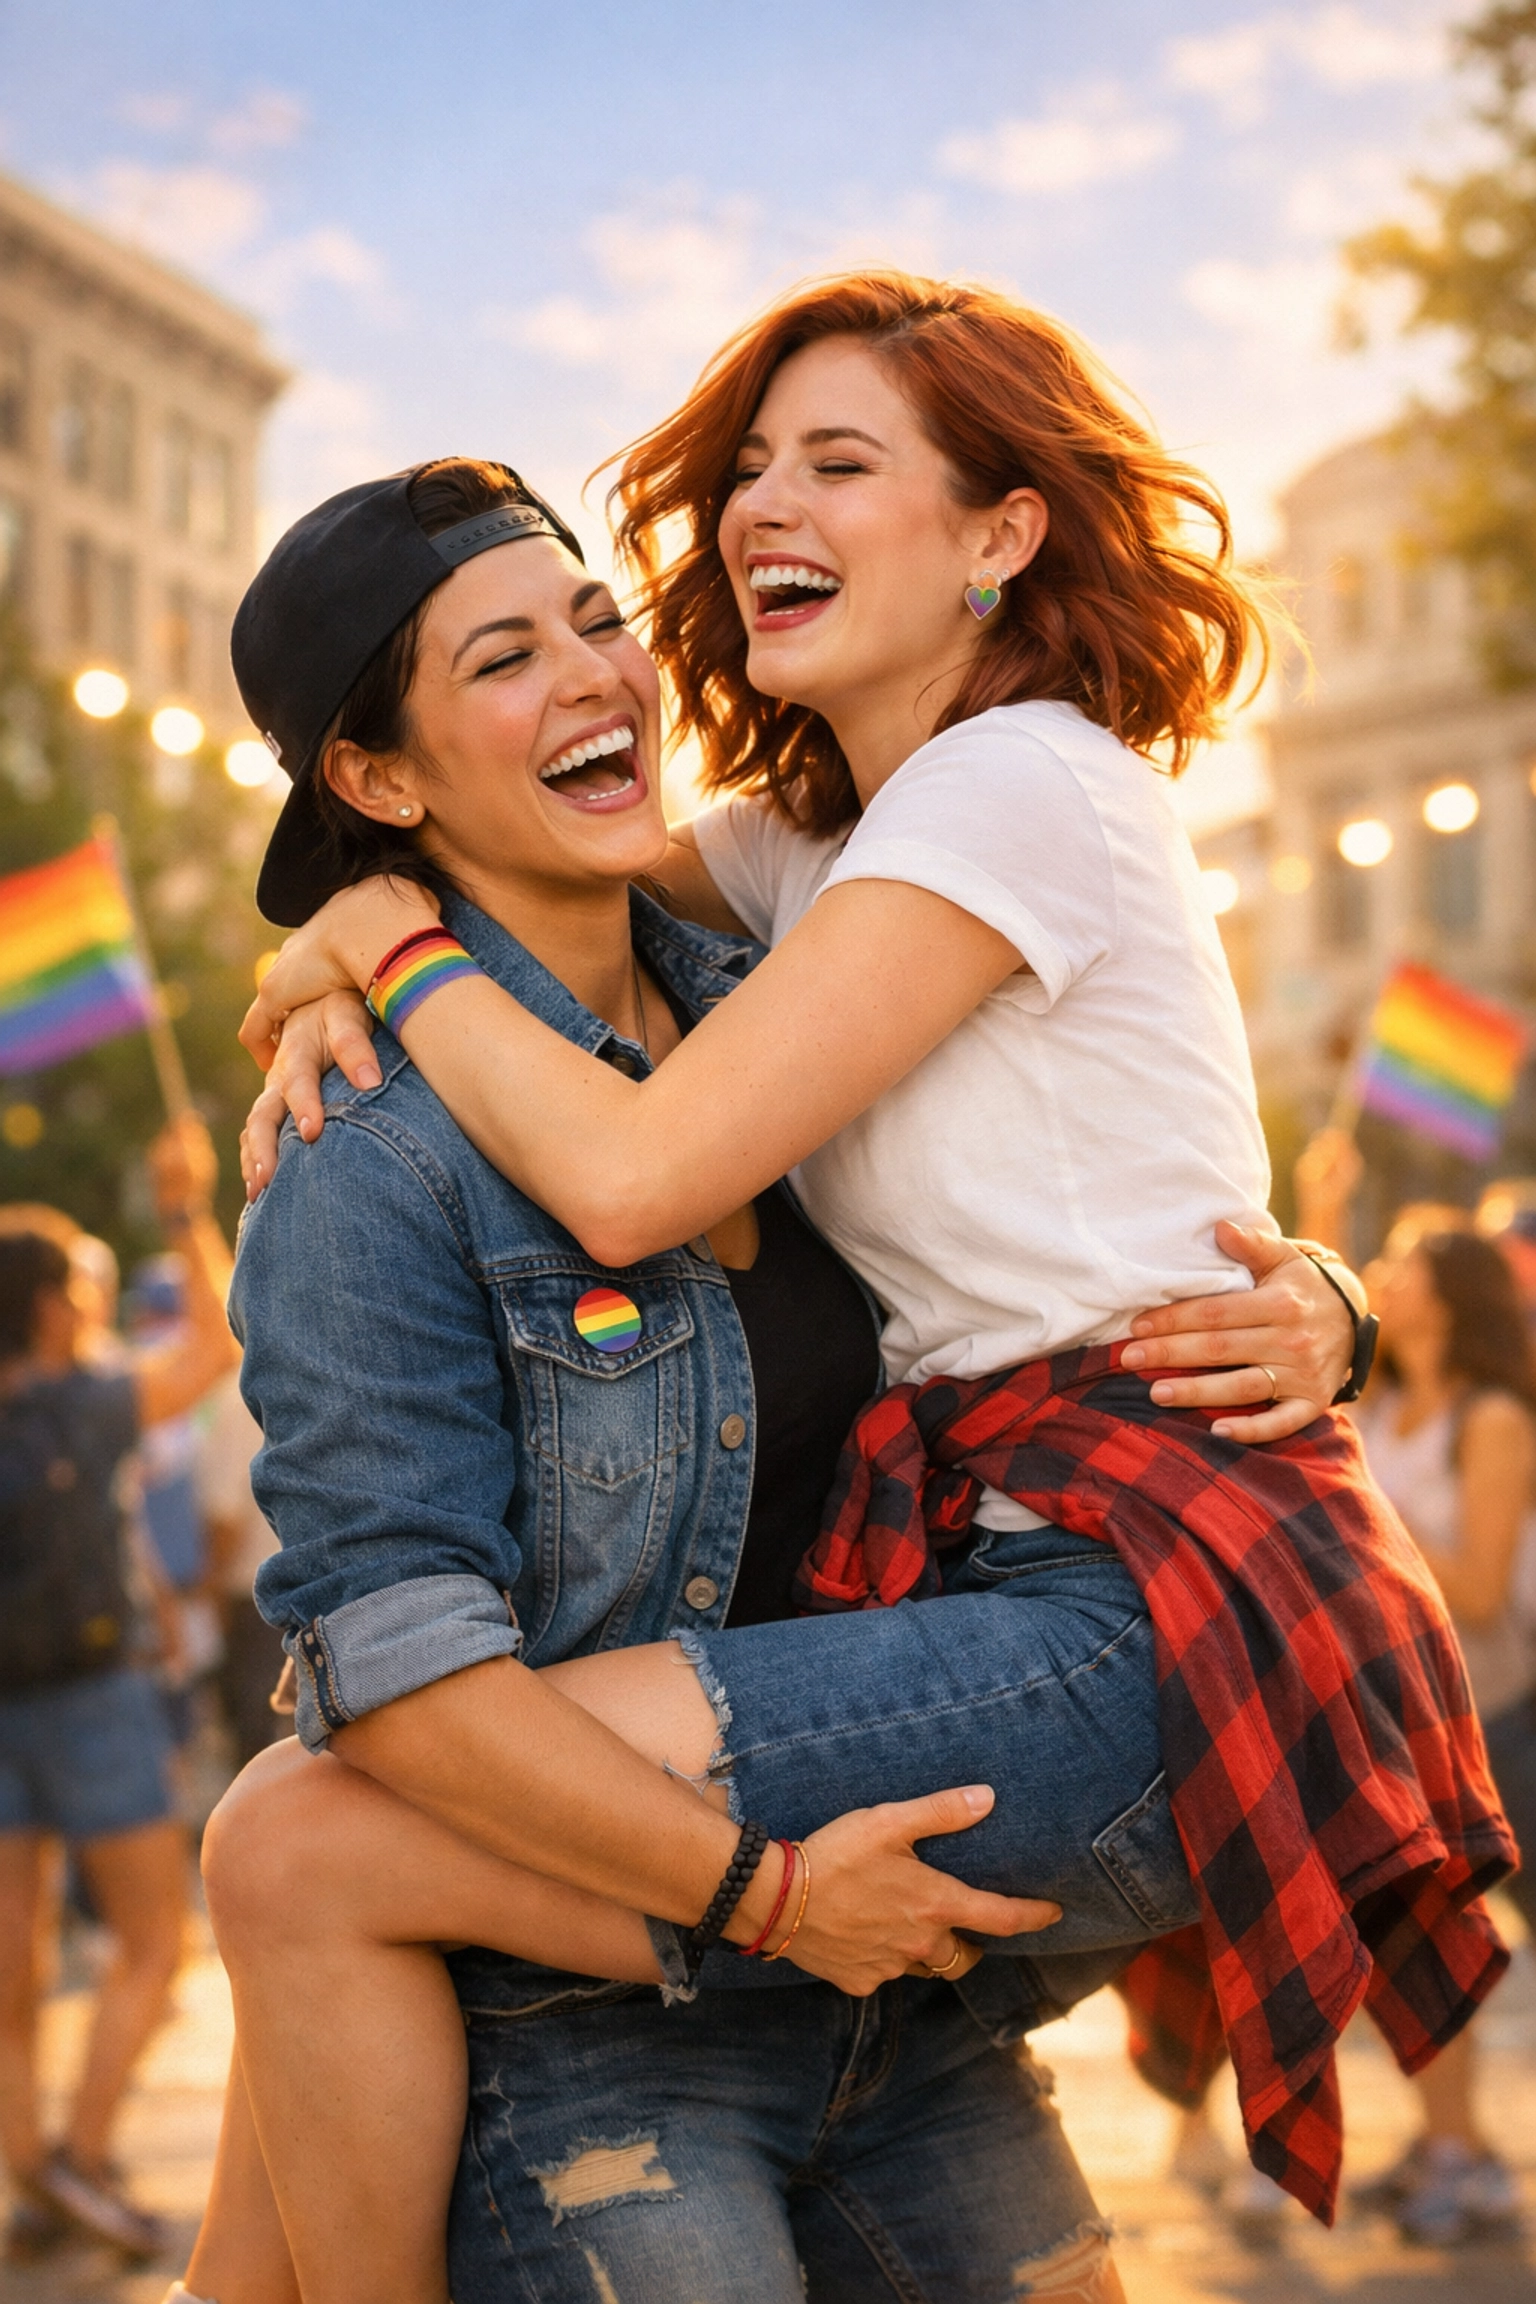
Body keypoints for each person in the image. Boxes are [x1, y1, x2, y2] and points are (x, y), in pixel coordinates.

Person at [182, 415, 1362, 2304]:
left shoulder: (791, 984)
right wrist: (770, 1896)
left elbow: (1078, 1195)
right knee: (293, 1830)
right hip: (598, 2021)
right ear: (374, 774)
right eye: (503, 660)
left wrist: (1317, 1285)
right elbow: (393, 1673)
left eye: (590, 619)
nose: (594, 673)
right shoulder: (366, 1158)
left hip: (897, 2009)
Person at [0, 1117, 238, 2264]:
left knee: (13, 1972)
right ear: (47, 1303)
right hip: (92, 1699)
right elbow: (212, 1342)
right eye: (86, 1282)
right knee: (154, 1943)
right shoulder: (84, 1405)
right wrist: (186, 1208)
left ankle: (33, 2173)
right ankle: (82, 2157)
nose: (96, 1301)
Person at [1349, 1219, 1536, 2245]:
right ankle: (1455, 2149)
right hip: (1399, 1714)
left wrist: (1363, 1511)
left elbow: (1475, 1585)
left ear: (1449, 1295)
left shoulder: (1492, 1418)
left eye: (1406, 1265)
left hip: (1486, 1717)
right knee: (1413, 1933)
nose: (1386, 1273)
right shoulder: (1380, 1396)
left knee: (1438, 1930)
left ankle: (1465, 2158)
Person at [196, 1377, 283, 1771]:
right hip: (315, 1588)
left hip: (255, 1599)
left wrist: (209, 1593)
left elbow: (226, 1519)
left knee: (257, 1749)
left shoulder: (240, 1398)